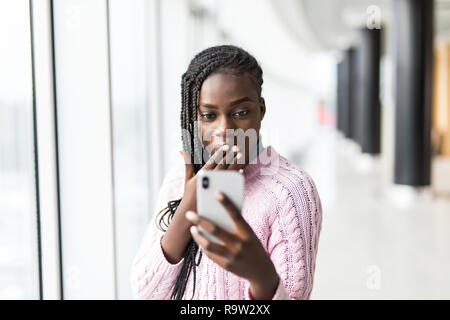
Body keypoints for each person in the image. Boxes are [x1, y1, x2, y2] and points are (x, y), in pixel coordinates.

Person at [130, 45, 322, 300]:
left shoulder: (290, 190)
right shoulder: (180, 180)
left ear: (261, 110)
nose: (225, 129)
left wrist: (262, 276)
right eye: (209, 115)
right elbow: (145, 292)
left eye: (241, 113)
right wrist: (187, 207)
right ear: (193, 118)